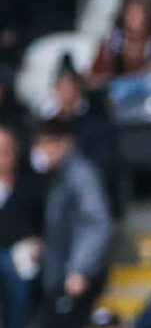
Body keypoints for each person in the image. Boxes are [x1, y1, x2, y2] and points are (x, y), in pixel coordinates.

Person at [32, 117, 114, 328]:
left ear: (67, 141)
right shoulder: (53, 174)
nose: (45, 150)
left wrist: (79, 269)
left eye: (50, 142)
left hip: (75, 274)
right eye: (41, 143)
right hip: (59, 271)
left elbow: (97, 224)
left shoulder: (81, 175)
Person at [0, 124, 43, 328]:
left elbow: (42, 223)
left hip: (22, 252)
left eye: (8, 150)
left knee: (17, 269)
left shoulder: (30, 184)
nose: (4, 156)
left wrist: (39, 242)